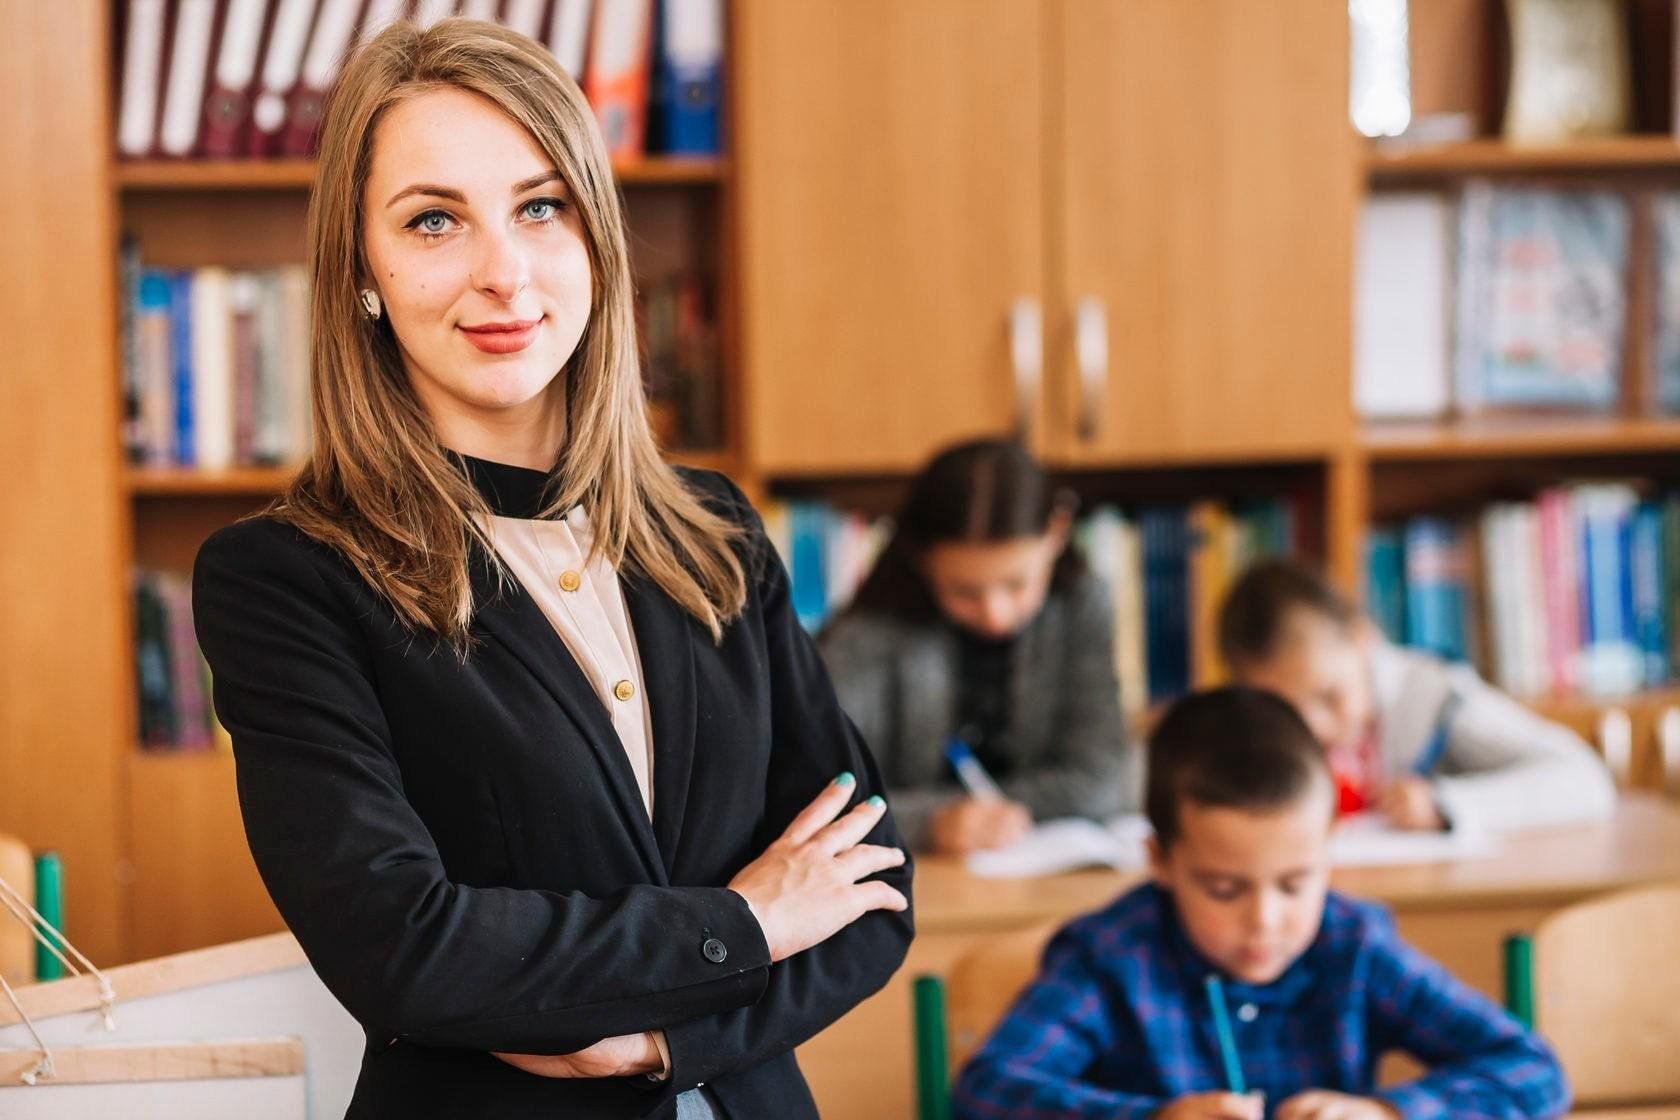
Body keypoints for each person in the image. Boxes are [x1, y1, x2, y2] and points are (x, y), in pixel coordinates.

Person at [191, 18, 911, 1119]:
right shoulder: (285, 580)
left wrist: (654, 1042)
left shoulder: (714, 530)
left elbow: (867, 894)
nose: (504, 271)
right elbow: (406, 949)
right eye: (434, 220)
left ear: (596, 239)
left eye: (541, 207)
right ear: (363, 271)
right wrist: (751, 921)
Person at [952, 687, 1571, 1119]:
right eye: (1225, 889)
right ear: (1160, 860)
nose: (1265, 920)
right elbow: (985, 1092)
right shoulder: (1112, 959)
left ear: (1330, 850)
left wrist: (1389, 1110)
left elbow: (1532, 1069)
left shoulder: (1353, 945)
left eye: (1296, 883)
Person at [816, 438, 1136, 856]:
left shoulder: (1082, 606)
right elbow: (821, 799)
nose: (995, 614)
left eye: (1017, 584)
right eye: (965, 591)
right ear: (924, 560)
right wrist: (931, 822)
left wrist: (990, 815)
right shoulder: (864, 635)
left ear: (1056, 534)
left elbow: (1103, 782)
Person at [1218, 558, 1615, 832]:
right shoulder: (1239, 730)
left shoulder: (1436, 694)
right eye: (1287, 713)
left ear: (1362, 640)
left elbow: (1585, 780)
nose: (1317, 728)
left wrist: (1444, 806)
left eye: (1328, 696)